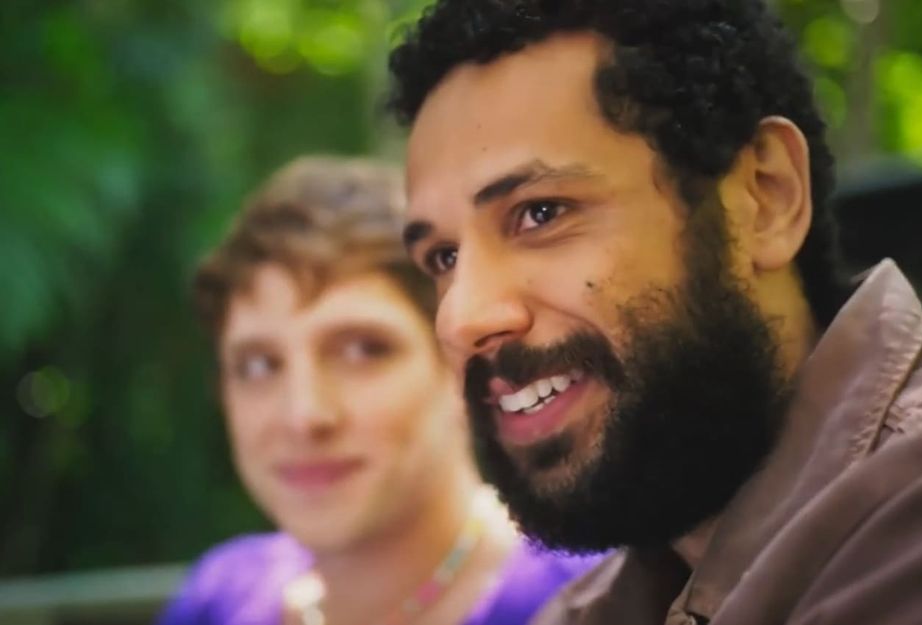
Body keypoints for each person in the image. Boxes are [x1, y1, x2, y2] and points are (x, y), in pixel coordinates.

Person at [386, 2, 922, 624]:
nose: (461, 319)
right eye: (443, 257)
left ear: (765, 197)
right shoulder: (609, 599)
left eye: (540, 213)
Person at [158, 157, 596, 625]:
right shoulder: (221, 599)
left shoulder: (595, 600)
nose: (304, 414)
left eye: (362, 350)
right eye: (259, 365)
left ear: (463, 368)